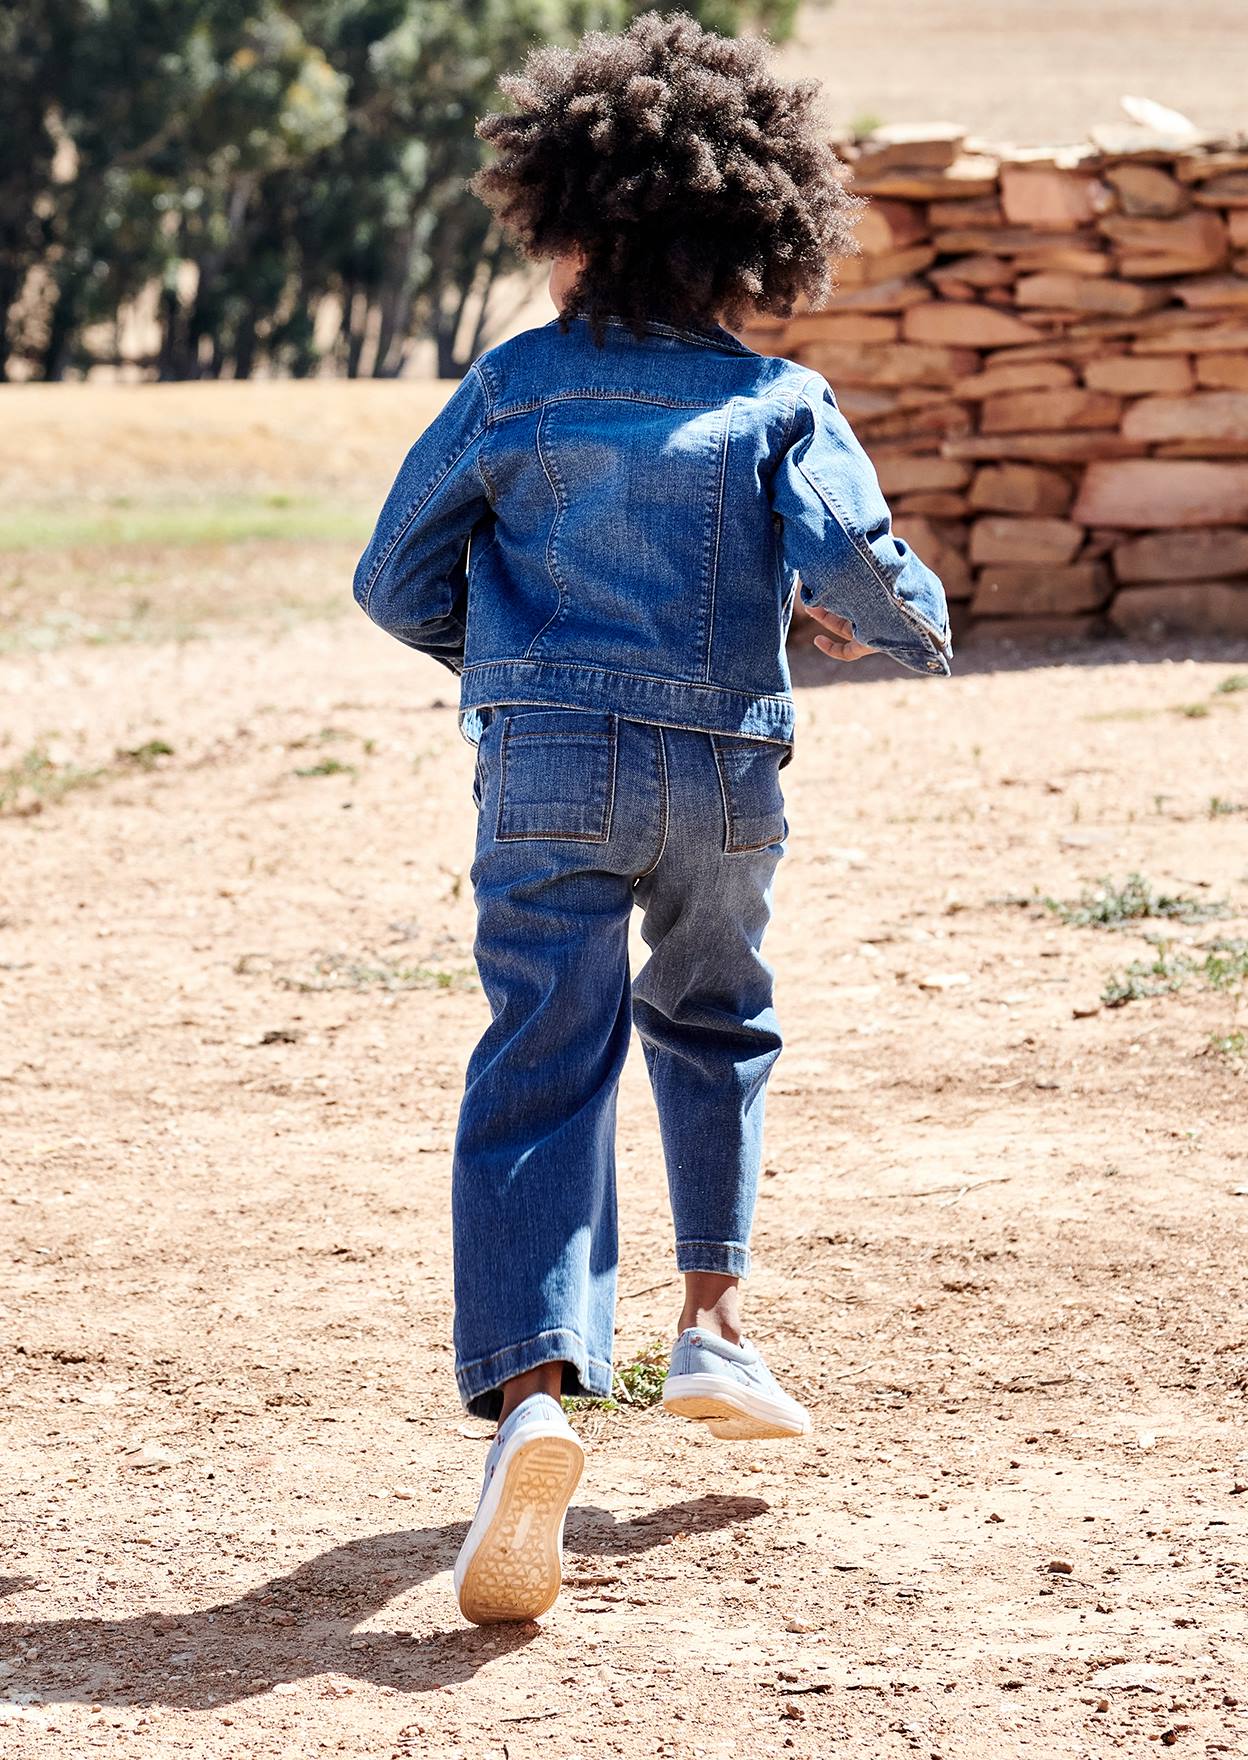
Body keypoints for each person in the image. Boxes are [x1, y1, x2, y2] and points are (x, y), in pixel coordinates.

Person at [353, 9, 951, 1626]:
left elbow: (390, 578)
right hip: (723, 772)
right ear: (744, 232)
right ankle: (713, 1328)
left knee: (544, 1058)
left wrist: (516, 669)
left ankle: (537, 1400)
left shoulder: (512, 384)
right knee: (717, 1019)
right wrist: (894, 623)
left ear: (568, 223)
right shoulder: (778, 399)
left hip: (544, 767)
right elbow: (862, 583)